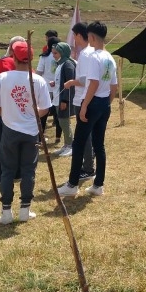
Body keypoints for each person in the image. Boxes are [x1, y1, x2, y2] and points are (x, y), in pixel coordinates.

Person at [0, 41, 51, 225]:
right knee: (28, 170)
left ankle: (6, 212)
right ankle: (25, 209)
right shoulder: (38, 80)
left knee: (7, 170)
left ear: (14, 57)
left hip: (9, 129)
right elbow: (45, 108)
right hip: (31, 131)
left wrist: (9, 116)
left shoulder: (3, 78)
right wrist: (31, 117)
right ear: (31, 59)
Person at [58, 21, 118, 197]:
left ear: (91, 36)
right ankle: (98, 184)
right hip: (104, 102)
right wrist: (107, 103)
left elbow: (93, 82)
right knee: (99, 145)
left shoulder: (93, 56)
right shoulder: (110, 57)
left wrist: (84, 105)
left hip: (92, 102)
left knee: (78, 143)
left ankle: (72, 184)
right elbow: (114, 85)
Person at [60, 23, 96, 181]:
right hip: (85, 97)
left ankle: (88, 168)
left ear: (80, 35)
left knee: (84, 136)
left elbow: (85, 80)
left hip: (82, 98)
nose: (73, 39)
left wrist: (71, 83)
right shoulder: (89, 52)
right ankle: (88, 165)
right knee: (86, 135)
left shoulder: (86, 54)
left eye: (74, 35)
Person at [0, 36, 25, 185]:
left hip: (4, 109)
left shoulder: (5, 62)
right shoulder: (28, 68)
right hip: (22, 109)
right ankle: (18, 173)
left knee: (0, 144)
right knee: (19, 143)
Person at [52, 42, 75, 157]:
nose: (54, 55)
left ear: (62, 52)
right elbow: (61, 81)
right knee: (61, 122)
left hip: (63, 99)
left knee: (64, 122)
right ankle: (66, 144)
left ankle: (71, 145)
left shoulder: (68, 64)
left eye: (56, 53)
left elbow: (70, 84)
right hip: (57, 97)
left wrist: (65, 100)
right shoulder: (60, 64)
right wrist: (54, 83)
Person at [36, 36, 62, 144]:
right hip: (57, 88)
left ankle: (40, 137)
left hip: (46, 88)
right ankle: (57, 137)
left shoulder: (44, 57)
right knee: (58, 114)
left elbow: (39, 72)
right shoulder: (61, 56)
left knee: (43, 114)